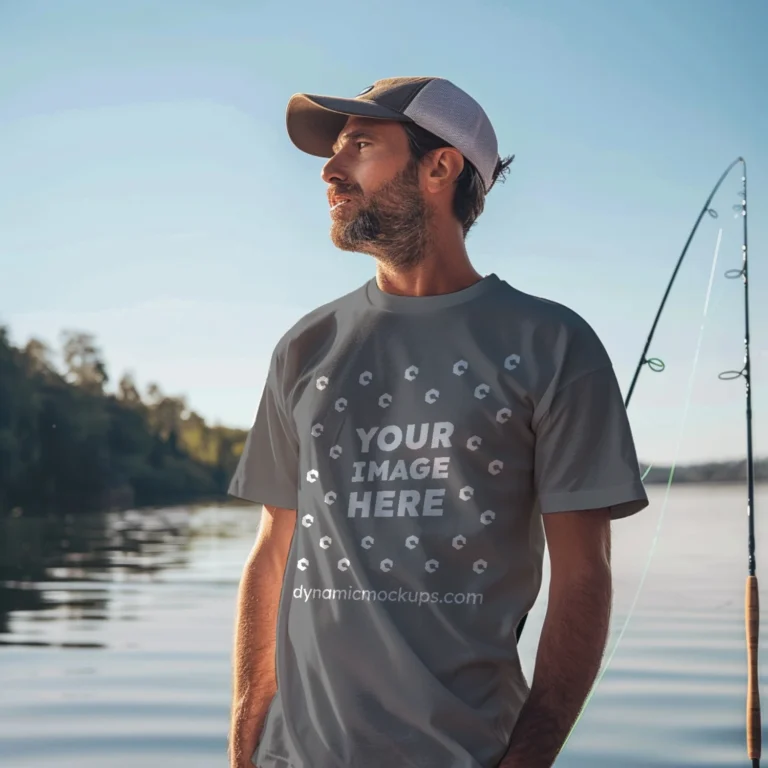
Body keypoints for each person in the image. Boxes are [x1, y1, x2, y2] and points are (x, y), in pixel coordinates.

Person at [227, 76, 649, 768]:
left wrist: (528, 758)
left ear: (440, 166)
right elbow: (274, 552)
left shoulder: (552, 345)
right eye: (334, 152)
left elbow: (584, 576)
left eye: (359, 145)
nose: (331, 170)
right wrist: (246, 742)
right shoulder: (305, 347)